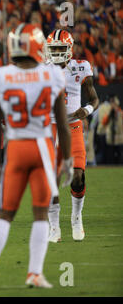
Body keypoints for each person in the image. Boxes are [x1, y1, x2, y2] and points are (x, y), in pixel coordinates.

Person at [0, 23, 73, 290]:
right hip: (41, 147)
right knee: (40, 214)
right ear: (38, 46)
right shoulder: (52, 75)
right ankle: (34, 273)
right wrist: (68, 160)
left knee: (5, 213)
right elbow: (62, 125)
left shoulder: (1, 76)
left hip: (14, 149)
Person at [46, 29, 100, 243]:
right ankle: (54, 227)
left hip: (73, 125)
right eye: (54, 48)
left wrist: (85, 111)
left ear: (69, 48)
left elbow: (94, 99)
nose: (57, 52)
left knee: (77, 177)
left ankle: (76, 218)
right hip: (49, 126)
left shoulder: (81, 67)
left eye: (61, 48)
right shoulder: (42, 70)